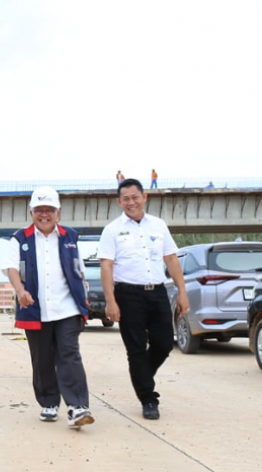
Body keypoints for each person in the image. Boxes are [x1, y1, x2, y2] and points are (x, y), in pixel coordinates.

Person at [2, 186, 95, 428]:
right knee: (42, 358)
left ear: (58, 212)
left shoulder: (70, 237)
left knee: (69, 354)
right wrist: (20, 291)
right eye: (39, 210)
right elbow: (11, 268)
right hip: (34, 308)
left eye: (49, 210)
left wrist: (84, 296)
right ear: (31, 211)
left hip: (67, 308)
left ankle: (77, 406)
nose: (44, 214)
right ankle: (49, 402)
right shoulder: (20, 238)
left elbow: (79, 270)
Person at [98, 178, 189, 420]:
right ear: (119, 202)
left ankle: (142, 377)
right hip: (127, 295)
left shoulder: (158, 226)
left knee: (164, 344)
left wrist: (182, 292)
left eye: (135, 197)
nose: (131, 202)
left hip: (157, 292)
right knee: (136, 349)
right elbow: (106, 267)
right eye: (125, 199)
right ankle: (148, 398)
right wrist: (110, 301)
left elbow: (171, 260)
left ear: (144, 197)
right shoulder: (112, 230)